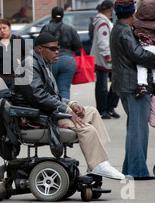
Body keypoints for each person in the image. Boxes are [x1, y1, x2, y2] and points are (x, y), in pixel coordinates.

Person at [12, 32, 125, 180]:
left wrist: (72, 104)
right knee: (86, 128)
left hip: (46, 111)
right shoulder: (29, 65)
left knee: (91, 112)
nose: (57, 51)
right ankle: (98, 164)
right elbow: (38, 97)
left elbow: (51, 96)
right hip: (36, 117)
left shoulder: (42, 63)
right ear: (39, 49)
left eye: (57, 48)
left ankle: (100, 158)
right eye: (52, 49)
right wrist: (66, 110)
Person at [110, 0, 155, 180]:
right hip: (134, 85)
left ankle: (130, 168)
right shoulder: (125, 32)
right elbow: (138, 54)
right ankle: (138, 170)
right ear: (133, 13)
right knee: (139, 129)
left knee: (134, 128)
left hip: (125, 84)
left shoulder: (118, 28)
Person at [40, 6, 82, 99]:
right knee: (64, 89)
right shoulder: (70, 28)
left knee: (50, 88)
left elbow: (39, 44)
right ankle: (65, 110)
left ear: (52, 15)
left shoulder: (46, 28)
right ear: (63, 15)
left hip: (51, 61)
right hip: (68, 60)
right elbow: (78, 45)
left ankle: (53, 109)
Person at [90, 0, 120, 119]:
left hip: (105, 58)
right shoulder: (102, 23)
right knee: (102, 86)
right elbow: (103, 41)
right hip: (104, 59)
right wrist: (107, 56)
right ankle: (103, 109)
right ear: (111, 9)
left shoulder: (103, 21)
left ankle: (109, 107)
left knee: (113, 83)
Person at [132, 0, 155, 99]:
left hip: (144, 47)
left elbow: (134, 34)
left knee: (142, 65)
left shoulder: (137, 24)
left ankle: (142, 85)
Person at [0, 19, 25, 90]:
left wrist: (22, 62)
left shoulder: (18, 41)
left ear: (10, 27)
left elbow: (30, 57)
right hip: (0, 79)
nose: (2, 31)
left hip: (17, 78)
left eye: (4, 28)